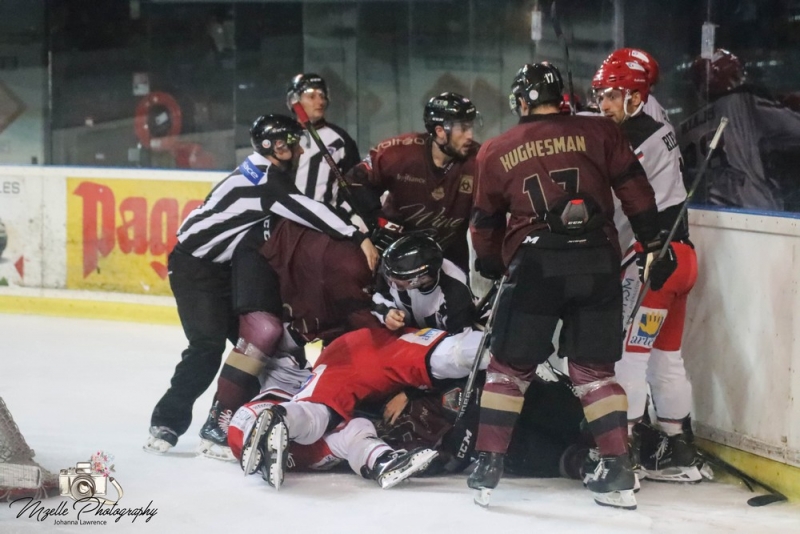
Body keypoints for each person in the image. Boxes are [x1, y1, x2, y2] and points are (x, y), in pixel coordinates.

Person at [468, 62, 665, 510]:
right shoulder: (602, 133)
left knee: (509, 370)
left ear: (521, 100)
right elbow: (635, 190)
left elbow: (484, 223)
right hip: (596, 261)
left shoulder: (496, 149)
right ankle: (617, 471)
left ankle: (487, 465)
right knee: (594, 374)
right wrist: (654, 238)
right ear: (563, 97)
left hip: (536, 265)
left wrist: (493, 265)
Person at [145, 114, 378, 456]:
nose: (297, 148)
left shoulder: (265, 171)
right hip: (195, 267)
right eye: (289, 143)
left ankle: (225, 422)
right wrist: (358, 234)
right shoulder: (266, 180)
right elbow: (307, 209)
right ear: (273, 147)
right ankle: (166, 423)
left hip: (224, 268)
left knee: (263, 349)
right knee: (206, 348)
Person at [592, 56, 701, 482]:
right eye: (600, 95)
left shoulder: (633, 138)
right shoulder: (656, 121)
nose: (603, 104)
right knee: (667, 359)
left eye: (612, 96)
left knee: (628, 360)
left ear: (636, 96)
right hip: (683, 259)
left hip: (652, 261)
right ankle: (682, 453)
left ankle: (626, 456)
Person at [238, 326, 488, 489]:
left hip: (351, 359)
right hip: (287, 414)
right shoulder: (286, 388)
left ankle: (381, 460)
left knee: (336, 419)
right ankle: (381, 459)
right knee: (345, 424)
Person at [226, 357, 439, 490]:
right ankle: (272, 427)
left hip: (299, 448)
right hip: (275, 417)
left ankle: (382, 461)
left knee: (355, 427)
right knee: (318, 415)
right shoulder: (282, 387)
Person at [345, 92, 480, 272]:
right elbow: (354, 180)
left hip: (449, 261)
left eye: (470, 127)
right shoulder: (399, 153)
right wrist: (376, 220)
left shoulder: (479, 160)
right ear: (440, 131)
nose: (470, 135)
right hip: (397, 256)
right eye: (463, 129)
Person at [680, 48, 800, 211]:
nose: (742, 77)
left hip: (705, 208)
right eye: (737, 73)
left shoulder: (683, 127)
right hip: (751, 207)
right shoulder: (742, 102)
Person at [286, 73, 361, 214]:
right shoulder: (281, 136)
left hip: (325, 227)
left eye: (322, 95)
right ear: (293, 101)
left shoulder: (340, 140)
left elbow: (355, 185)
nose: (320, 102)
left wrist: (342, 215)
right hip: (285, 224)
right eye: (312, 96)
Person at [372, 234, 475, 333]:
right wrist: (387, 312)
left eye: (398, 280)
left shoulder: (456, 293)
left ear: (421, 278)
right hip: (412, 338)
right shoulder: (396, 274)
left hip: (445, 342)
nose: (392, 283)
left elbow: (459, 342)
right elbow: (376, 297)